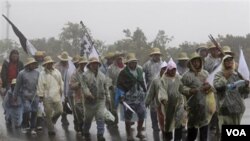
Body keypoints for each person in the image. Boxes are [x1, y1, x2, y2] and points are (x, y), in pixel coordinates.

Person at [181, 52, 216, 141]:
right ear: (190, 63)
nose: (196, 63)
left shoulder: (206, 73)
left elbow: (212, 86)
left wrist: (209, 87)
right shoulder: (186, 76)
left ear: (201, 62)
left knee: (204, 134)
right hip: (193, 108)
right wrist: (190, 90)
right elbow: (180, 88)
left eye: (198, 61)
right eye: (194, 61)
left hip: (205, 107)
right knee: (192, 134)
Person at [213, 55, 249, 132]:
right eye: (227, 61)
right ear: (223, 63)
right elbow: (217, 86)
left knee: (235, 132)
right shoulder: (219, 74)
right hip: (225, 108)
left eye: (230, 60)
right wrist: (225, 76)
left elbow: (244, 92)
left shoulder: (237, 75)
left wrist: (246, 86)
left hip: (237, 108)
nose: (229, 62)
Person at [117, 53, 147, 141]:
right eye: (132, 62)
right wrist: (121, 96)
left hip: (139, 97)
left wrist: (146, 92)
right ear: (128, 63)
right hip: (128, 98)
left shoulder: (140, 70)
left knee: (142, 113)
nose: (134, 64)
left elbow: (142, 81)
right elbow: (119, 85)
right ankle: (129, 134)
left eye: (135, 62)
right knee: (128, 116)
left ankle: (139, 132)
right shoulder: (123, 73)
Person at [81, 57, 111, 141]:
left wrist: (108, 97)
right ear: (89, 65)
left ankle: (100, 134)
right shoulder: (84, 75)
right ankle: (85, 130)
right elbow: (84, 87)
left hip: (100, 100)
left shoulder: (102, 75)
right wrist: (88, 94)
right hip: (89, 102)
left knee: (100, 116)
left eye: (96, 63)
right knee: (88, 118)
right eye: (93, 63)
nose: (95, 65)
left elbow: (106, 87)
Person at [158, 59, 186, 141]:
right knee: (169, 122)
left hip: (179, 103)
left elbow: (183, 88)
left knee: (179, 120)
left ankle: (177, 138)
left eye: (174, 69)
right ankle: (168, 138)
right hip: (168, 104)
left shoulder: (179, 77)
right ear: (168, 70)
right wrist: (163, 99)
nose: (173, 71)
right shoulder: (164, 79)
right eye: (171, 69)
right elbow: (162, 90)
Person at [37, 56, 64, 136]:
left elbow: (61, 82)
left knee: (60, 111)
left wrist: (62, 92)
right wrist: (41, 95)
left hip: (56, 95)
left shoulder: (57, 72)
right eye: (48, 63)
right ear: (45, 64)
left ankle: (52, 120)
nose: (50, 64)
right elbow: (40, 84)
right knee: (48, 113)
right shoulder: (42, 73)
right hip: (47, 96)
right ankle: (51, 129)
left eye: (51, 63)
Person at [14, 57, 39, 135]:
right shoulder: (21, 73)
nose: (33, 65)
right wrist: (15, 95)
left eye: (34, 64)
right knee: (27, 110)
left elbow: (40, 84)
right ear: (28, 65)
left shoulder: (37, 73)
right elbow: (17, 85)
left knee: (34, 112)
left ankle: (33, 128)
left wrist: (42, 94)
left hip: (35, 95)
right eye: (32, 64)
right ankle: (24, 125)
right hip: (25, 95)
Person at [145, 61, 167, 139]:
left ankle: (167, 131)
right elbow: (151, 92)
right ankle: (163, 131)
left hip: (169, 104)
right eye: (163, 69)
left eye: (166, 69)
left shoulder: (171, 78)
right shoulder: (155, 80)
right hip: (159, 104)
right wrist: (147, 101)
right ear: (160, 70)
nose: (165, 71)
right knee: (161, 119)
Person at [143, 47, 162, 132]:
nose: (156, 56)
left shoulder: (163, 64)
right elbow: (143, 77)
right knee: (153, 108)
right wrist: (145, 88)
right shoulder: (147, 65)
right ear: (152, 55)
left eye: (158, 55)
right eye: (155, 55)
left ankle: (163, 123)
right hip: (151, 89)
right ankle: (155, 125)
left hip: (161, 89)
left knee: (162, 107)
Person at [55, 51, 75, 127]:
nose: (65, 61)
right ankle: (63, 117)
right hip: (59, 86)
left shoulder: (70, 66)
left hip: (68, 86)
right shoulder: (56, 66)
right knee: (62, 103)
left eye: (66, 60)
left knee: (71, 103)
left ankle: (76, 118)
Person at [106, 51, 125, 128]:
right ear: (115, 58)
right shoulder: (110, 68)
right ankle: (114, 121)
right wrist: (110, 86)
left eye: (120, 57)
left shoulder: (125, 67)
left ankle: (129, 121)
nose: (119, 58)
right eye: (117, 57)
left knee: (127, 105)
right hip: (114, 89)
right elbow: (108, 78)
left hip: (124, 89)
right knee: (114, 107)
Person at [69, 56, 88, 135]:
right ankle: (80, 125)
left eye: (84, 63)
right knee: (79, 113)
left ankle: (85, 129)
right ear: (79, 64)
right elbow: (71, 86)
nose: (83, 65)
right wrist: (79, 84)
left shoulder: (88, 72)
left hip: (88, 97)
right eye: (82, 63)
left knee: (87, 114)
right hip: (78, 97)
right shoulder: (74, 74)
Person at [33, 51, 46, 130]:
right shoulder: (34, 66)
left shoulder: (44, 66)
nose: (39, 58)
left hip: (45, 88)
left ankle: (44, 119)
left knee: (45, 106)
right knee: (38, 106)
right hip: (36, 88)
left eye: (41, 57)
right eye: (38, 57)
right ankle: (38, 122)